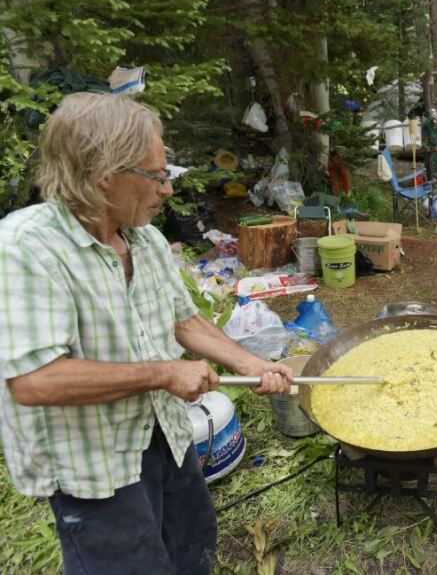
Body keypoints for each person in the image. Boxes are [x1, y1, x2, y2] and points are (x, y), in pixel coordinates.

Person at [0, 92, 295, 574]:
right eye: (156, 176)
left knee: (191, 545)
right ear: (102, 173)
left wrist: (252, 364)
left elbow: (183, 320)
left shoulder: (146, 237)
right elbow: (35, 380)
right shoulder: (25, 247)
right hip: (94, 468)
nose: (168, 190)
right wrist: (161, 373)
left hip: (167, 437)